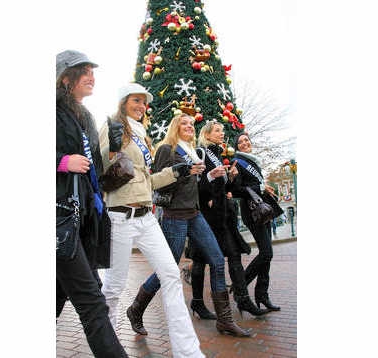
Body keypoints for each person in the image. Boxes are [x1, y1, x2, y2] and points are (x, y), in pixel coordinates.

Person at [98, 83, 205, 358]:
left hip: (147, 217)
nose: (141, 106)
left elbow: (147, 181)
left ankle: (188, 352)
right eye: (136, 100)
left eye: (144, 102)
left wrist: (175, 172)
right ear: (123, 101)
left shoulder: (142, 134)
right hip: (119, 216)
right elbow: (102, 169)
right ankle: (108, 351)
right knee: (113, 287)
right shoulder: (113, 126)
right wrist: (110, 149)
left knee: (170, 275)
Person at [126, 113, 251, 337]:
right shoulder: (167, 149)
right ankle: (136, 309)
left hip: (194, 213)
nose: (189, 126)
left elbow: (197, 186)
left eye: (192, 124)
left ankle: (224, 320)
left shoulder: (193, 152)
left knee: (216, 260)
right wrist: (185, 172)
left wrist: (210, 176)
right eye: (184, 123)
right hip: (175, 215)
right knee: (169, 269)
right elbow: (160, 186)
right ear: (175, 127)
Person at [55, 50, 128, 357]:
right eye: (83, 70)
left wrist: (113, 154)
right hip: (59, 219)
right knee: (93, 302)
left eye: (92, 71)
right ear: (64, 78)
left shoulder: (85, 117)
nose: (91, 76)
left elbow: (94, 174)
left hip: (83, 221)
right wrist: (60, 161)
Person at [187, 121, 268, 319]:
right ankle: (197, 302)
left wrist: (230, 179)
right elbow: (195, 182)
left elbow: (224, 187)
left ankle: (243, 299)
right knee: (200, 260)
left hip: (224, 216)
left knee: (234, 255)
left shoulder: (220, 155)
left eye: (222, 131)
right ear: (207, 134)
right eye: (217, 131)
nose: (222, 134)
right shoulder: (201, 152)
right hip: (207, 215)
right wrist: (209, 197)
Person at [231, 132, 283, 311]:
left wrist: (264, 189)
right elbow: (236, 189)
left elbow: (253, 186)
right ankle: (240, 287)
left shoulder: (253, 160)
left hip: (263, 210)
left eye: (247, 140)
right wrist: (259, 187)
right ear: (236, 146)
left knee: (267, 255)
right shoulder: (237, 161)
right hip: (253, 213)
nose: (245, 143)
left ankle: (262, 295)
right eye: (241, 142)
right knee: (266, 253)